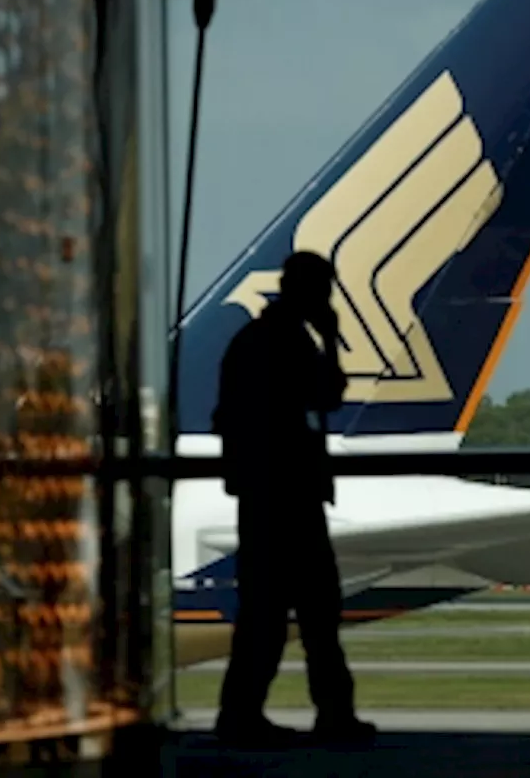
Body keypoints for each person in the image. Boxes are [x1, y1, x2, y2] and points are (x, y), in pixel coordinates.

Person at [211, 251, 376, 746]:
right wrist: (330, 339)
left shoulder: (255, 341)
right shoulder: (288, 344)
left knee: (265, 615)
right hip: (289, 498)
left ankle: (242, 713)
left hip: (264, 498)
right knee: (316, 616)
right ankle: (328, 713)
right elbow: (329, 396)